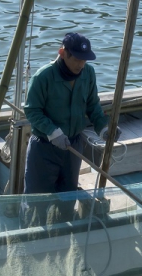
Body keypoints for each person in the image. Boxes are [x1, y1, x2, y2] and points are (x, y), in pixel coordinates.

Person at [22, 32, 116, 225]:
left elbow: (93, 106)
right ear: (63, 53)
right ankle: (30, 238)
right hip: (44, 149)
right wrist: (53, 131)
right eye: (78, 59)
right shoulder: (43, 77)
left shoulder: (88, 74)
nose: (81, 65)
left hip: (73, 147)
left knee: (67, 197)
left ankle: (61, 234)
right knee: (37, 200)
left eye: (85, 60)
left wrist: (103, 129)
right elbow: (32, 111)